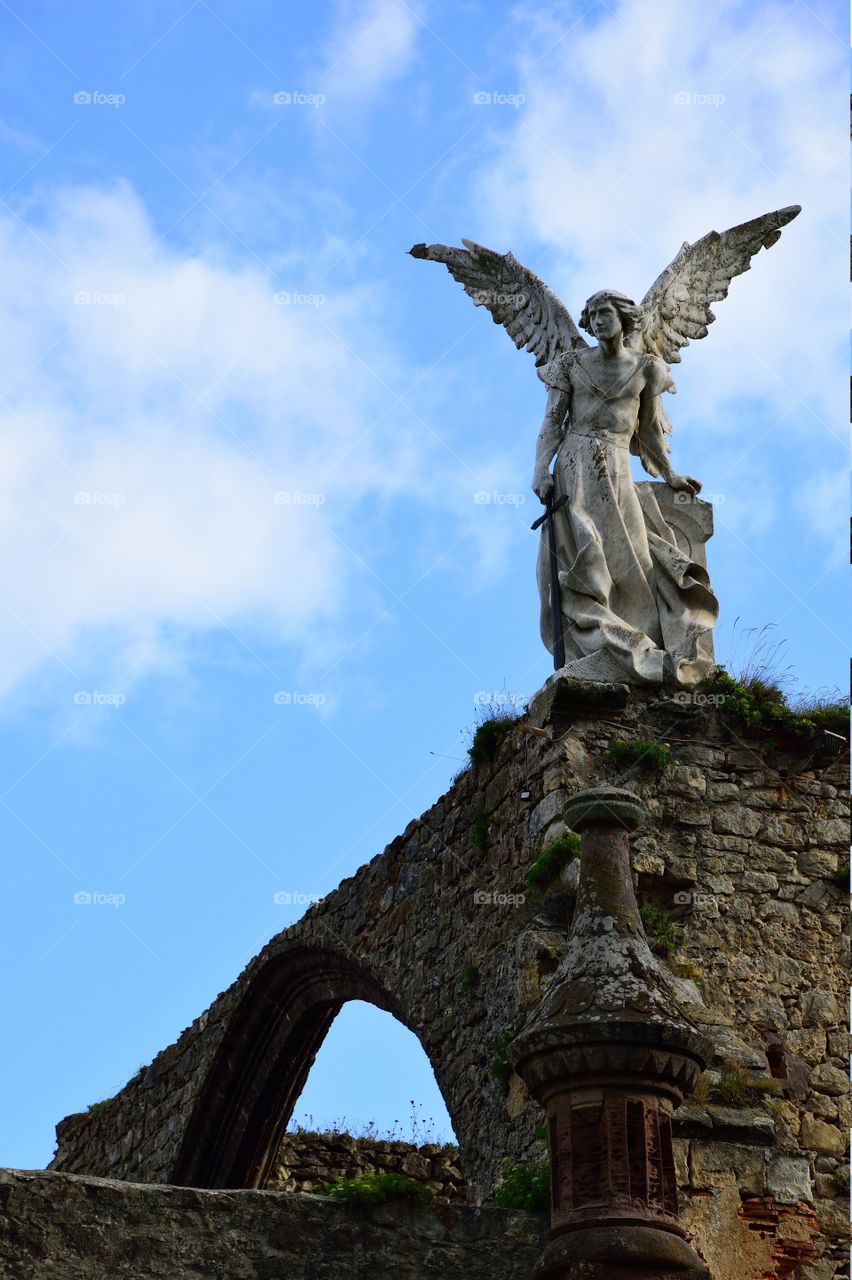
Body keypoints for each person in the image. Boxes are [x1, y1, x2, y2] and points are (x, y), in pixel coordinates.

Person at [531, 290, 718, 686]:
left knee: (632, 557)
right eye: (593, 314)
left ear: (624, 318)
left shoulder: (647, 367)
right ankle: (598, 647)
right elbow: (552, 421)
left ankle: (639, 645)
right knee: (585, 550)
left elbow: (647, 429)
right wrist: (539, 469)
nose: (598, 321)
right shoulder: (571, 364)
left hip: (616, 465)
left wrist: (669, 475)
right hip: (574, 465)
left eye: (605, 313)